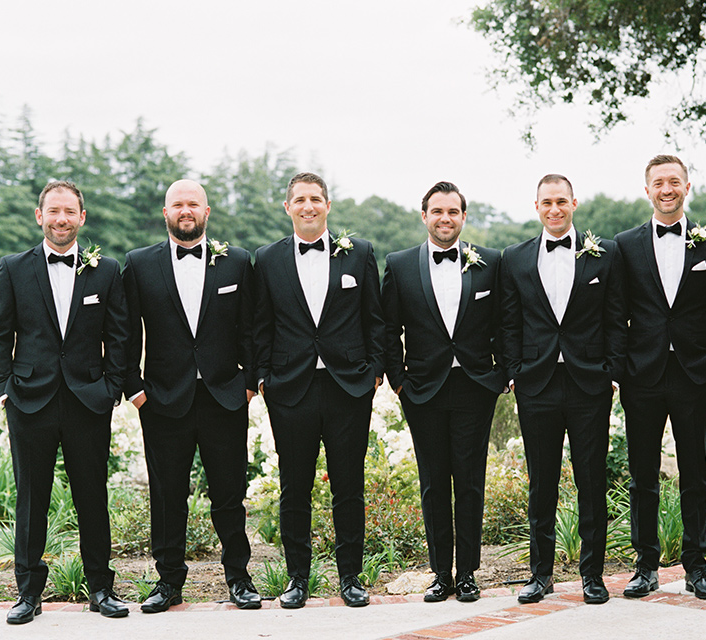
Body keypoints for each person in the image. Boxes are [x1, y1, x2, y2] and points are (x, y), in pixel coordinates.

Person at [0, 181, 129, 623]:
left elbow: (120, 336)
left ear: (82, 218)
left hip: (89, 401)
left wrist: (110, 389)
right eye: (54, 211)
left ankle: (101, 590)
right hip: (30, 400)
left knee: (92, 495)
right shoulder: (13, 268)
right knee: (32, 497)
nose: (61, 219)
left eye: (70, 212)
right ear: (39, 216)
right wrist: (4, 387)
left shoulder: (105, 271)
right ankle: (28, 594)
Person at [123, 179, 261, 612]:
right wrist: (135, 390)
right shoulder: (139, 264)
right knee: (167, 495)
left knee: (229, 493)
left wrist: (250, 383)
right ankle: (168, 584)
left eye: (193, 204)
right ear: (165, 213)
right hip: (163, 400)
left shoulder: (237, 262)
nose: (186, 211)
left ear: (207, 211)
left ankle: (239, 579)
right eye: (178, 204)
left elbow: (253, 328)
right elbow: (125, 332)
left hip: (224, 396)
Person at [254, 171, 385, 608]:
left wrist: (374, 372)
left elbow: (375, 319)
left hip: (348, 387)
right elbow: (260, 325)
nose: (308, 206)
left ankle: (351, 577)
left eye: (315, 199)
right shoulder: (267, 260)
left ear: (328, 205)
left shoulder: (359, 253)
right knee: (295, 486)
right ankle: (297, 579)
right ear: (287, 207)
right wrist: (262, 378)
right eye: (300, 200)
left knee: (349, 484)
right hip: (290, 388)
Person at [499, 174, 626, 605]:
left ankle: (593, 576)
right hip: (536, 385)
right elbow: (508, 322)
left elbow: (616, 318)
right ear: (536, 207)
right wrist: (514, 371)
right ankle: (541, 575)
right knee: (542, 484)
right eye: (546, 203)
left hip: (589, 383)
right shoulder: (514, 258)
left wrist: (612, 372)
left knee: (592, 482)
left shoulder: (605, 254)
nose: (554, 209)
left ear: (574, 203)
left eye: (561, 201)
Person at [381, 181, 504, 603]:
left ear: (464, 216)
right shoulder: (399, 265)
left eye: (453, 211)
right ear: (424, 216)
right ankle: (439, 575)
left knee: (470, 482)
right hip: (423, 390)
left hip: (475, 387)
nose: (445, 218)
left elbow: (505, 323)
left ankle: (467, 573)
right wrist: (399, 380)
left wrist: (499, 375)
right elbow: (386, 329)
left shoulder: (490, 262)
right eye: (437, 211)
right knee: (433, 483)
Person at [614, 155, 706, 600]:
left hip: (693, 374)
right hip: (641, 376)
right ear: (647, 190)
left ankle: (697, 566)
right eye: (659, 182)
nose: (667, 189)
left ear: (687, 187)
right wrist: (620, 368)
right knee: (642, 475)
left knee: (695, 472)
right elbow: (616, 311)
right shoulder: (624, 244)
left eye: (674, 182)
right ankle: (645, 566)